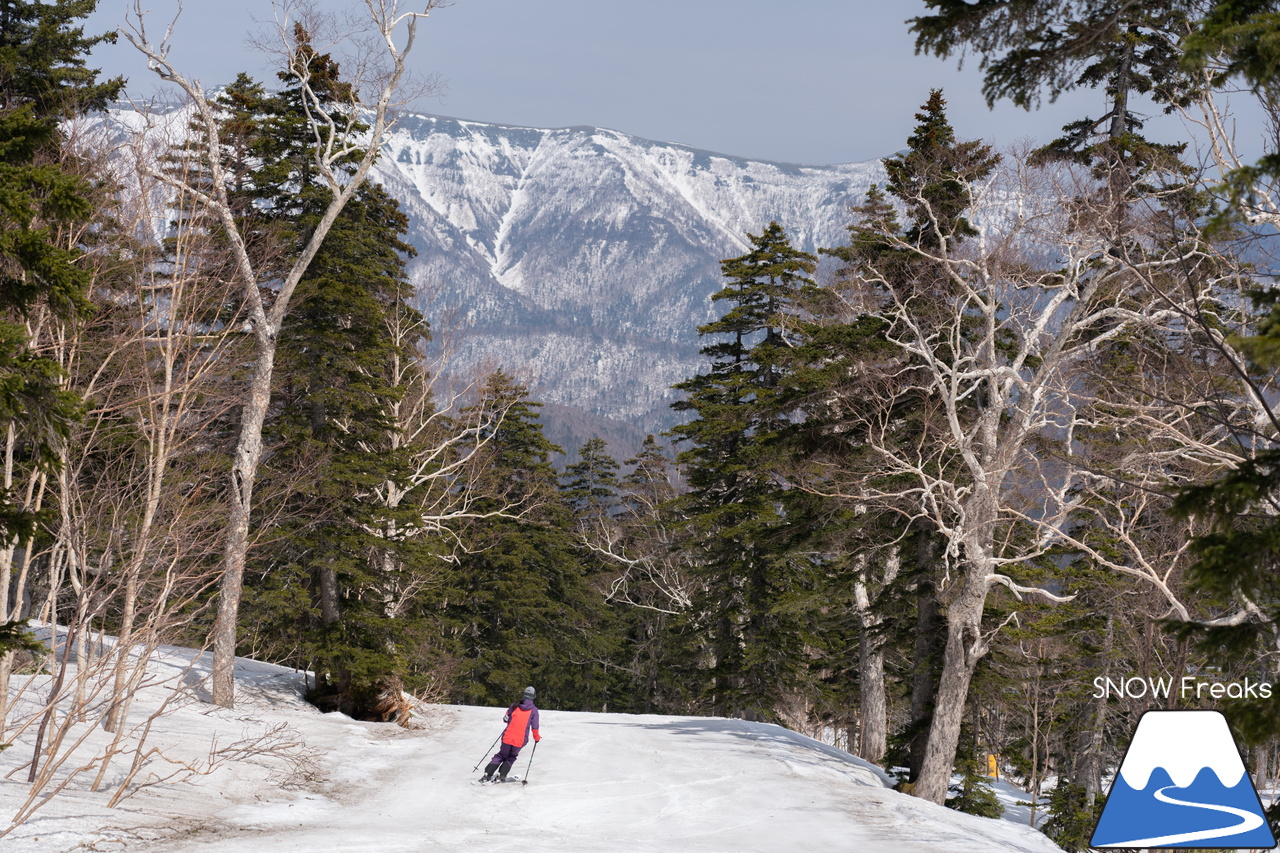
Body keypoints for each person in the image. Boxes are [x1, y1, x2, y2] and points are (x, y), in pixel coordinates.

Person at [481, 686, 541, 782]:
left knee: (501, 755)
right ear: (534, 696)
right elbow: (535, 727)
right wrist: (537, 738)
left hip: (507, 737)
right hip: (520, 740)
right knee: (511, 756)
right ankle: (502, 774)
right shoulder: (534, 710)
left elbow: (505, 719)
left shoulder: (515, 705)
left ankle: (487, 773)